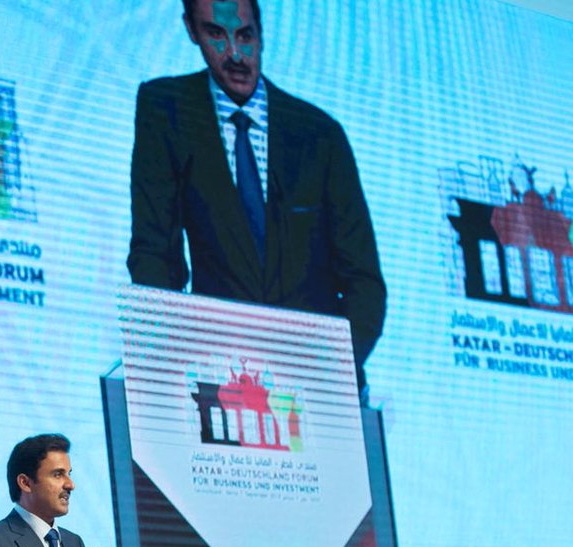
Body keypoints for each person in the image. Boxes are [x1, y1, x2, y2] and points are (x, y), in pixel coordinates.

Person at [127, 0, 387, 386]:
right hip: (220, 379)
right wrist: (176, 363)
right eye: (217, 34)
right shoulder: (167, 110)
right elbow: (153, 255)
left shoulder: (320, 133)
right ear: (191, 30)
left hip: (318, 383)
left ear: (261, 35)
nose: (235, 54)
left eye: (245, 36)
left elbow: (363, 282)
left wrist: (331, 372)